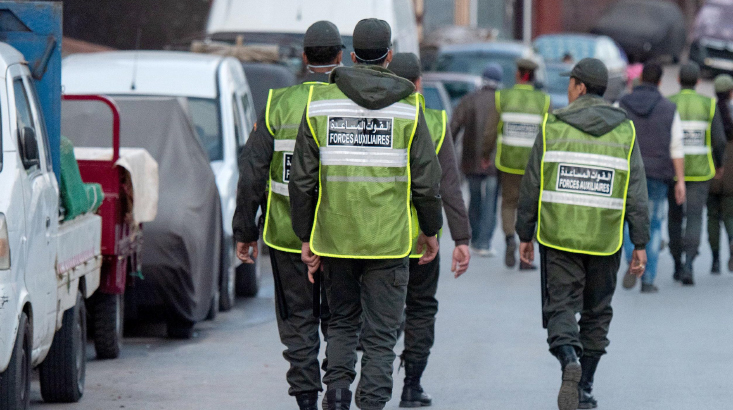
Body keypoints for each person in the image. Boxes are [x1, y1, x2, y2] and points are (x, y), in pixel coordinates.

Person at [289, 19, 443, 410]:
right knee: (381, 335)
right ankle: (372, 403)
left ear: (352, 56)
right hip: (389, 243)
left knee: (341, 323)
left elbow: (303, 180)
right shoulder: (409, 107)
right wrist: (431, 230)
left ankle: (337, 398)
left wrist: (306, 236)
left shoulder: (320, 103)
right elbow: (426, 180)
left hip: (336, 239)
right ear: (389, 57)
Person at [516, 58, 650, 410]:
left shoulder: (553, 126)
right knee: (597, 312)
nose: (567, 89)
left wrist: (525, 234)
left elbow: (532, 184)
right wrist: (640, 242)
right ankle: (585, 386)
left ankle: (569, 361)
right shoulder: (625, 130)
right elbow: (636, 191)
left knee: (560, 307)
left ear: (579, 87)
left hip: (559, 236)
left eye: (570, 83)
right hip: (605, 240)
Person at [232, 21, 344, 410]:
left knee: (298, 320)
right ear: (340, 56)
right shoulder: (349, 104)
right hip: (340, 239)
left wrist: (245, 230)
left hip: (285, 237)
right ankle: (338, 390)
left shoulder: (278, 103)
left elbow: (252, 173)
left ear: (304, 57)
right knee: (338, 320)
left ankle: (307, 401)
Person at [388, 52, 471, 408]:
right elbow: (449, 185)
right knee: (421, 309)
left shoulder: (377, 115)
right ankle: (412, 384)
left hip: (379, 237)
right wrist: (462, 238)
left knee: (378, 309)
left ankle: (370, 378)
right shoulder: (434, 121)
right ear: (419, 84)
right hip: (423, 238)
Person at [617, 62, 686, 293]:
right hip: (658, 175)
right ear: (659, 81)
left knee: (628, 220)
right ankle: (648, 280)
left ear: (640, 79)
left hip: (628, 173)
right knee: (655, 225)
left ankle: (631, 260)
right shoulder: (669, 108)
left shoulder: (621, 105)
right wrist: (681, 181)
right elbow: (676, 147)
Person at [667, 62, 727, 285]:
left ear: (679, 80)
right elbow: (719, 140)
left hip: (674, 172)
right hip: (701, 172)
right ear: (699, 81)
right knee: (694, 217)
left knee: (674, 218)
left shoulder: (669, 102)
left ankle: (676, 264)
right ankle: (689, 264)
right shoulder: (708, 104)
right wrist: (719, 165)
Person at [493, 58, 550, 269]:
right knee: (531, 207)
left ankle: (509, 239)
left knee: (509, 203)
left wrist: (484, 154)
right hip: (534, 166)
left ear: (518, 74)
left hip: (508, 162)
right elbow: (549, 135)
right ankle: (526, 254)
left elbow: (491, 130)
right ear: (534, 77)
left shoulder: (502, 97)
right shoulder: (543, 101)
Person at [450, 63, 503, 257]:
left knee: (474, 199)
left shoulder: (469, 100)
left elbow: (453, 127)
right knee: (491, 201)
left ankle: (473, 237)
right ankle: (485, 242)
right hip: (495, 161)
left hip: (471, 161)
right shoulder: (502, 102)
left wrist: (446, 155)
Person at [708, 74, 733, 274]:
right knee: (730, 216)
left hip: (711, 171)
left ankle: (715, 259)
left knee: (712, 217)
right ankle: (732, 251)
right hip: (731, 175)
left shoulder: (710, 112)